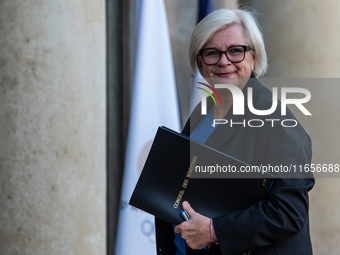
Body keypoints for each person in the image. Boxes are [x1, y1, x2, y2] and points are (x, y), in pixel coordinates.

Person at [155, 8, 314, 255]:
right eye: (211, 53)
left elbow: (289, 212)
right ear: (200, 61)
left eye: (235, 51)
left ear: (254, 57)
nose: (223, 61)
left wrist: (213, 230)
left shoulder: (276, 121)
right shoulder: (203, 111)